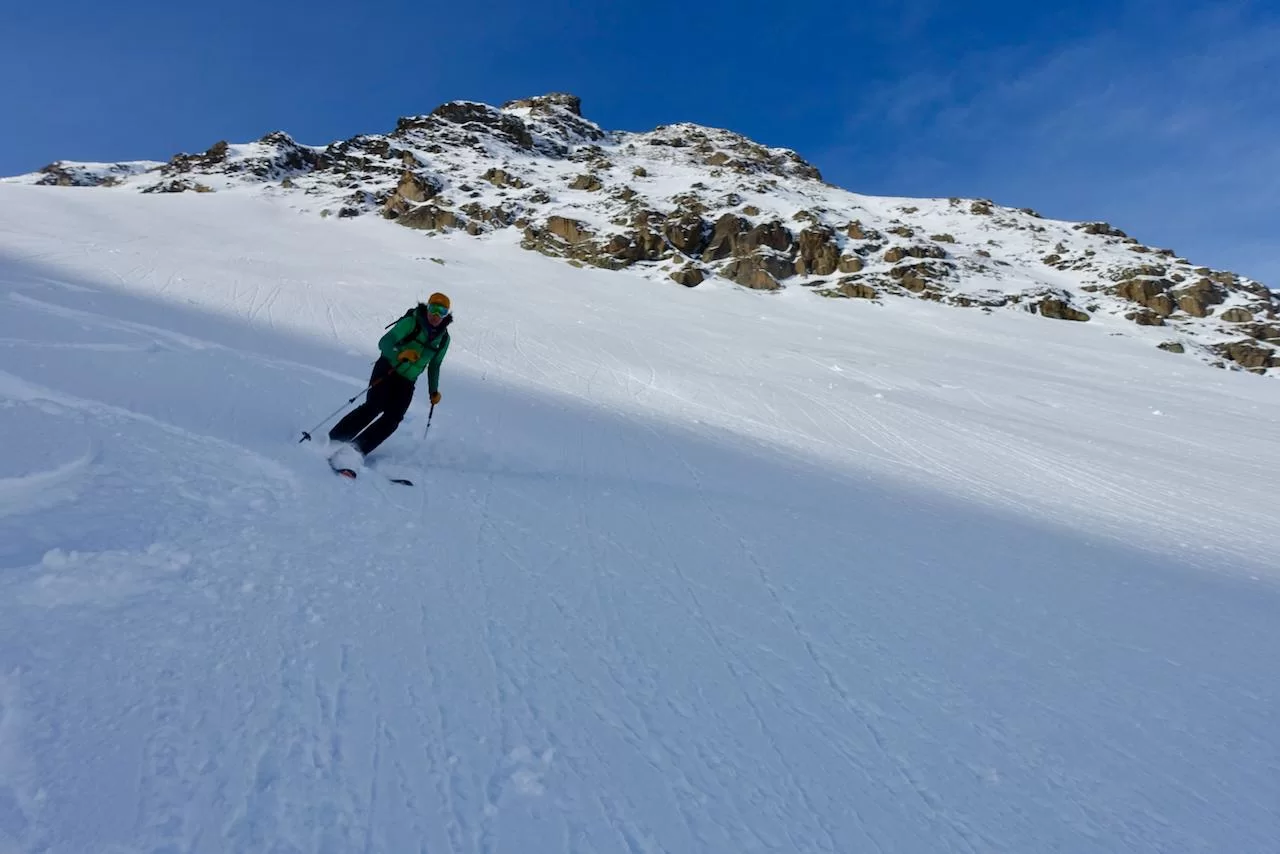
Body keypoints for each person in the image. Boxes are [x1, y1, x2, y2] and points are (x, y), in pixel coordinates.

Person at [329, 292, 451, 457]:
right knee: (374, 406)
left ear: (446, 315)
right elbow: (384, 343)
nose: (436, 315)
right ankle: (334, 440)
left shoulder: (443, 339)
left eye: (441, 312)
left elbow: (435, 365)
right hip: (388, 368)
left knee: (394, 418)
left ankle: (355, 450)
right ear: (427, 307)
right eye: (433, 308)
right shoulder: (411, 322)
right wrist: (399, 354)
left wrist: (433, 391)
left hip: (408, 380)